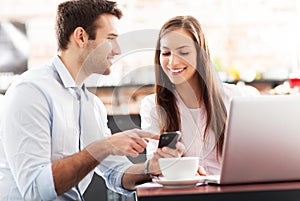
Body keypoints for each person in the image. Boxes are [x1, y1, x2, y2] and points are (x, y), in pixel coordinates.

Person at [0, 1, 185, 200]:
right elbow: (35, 189)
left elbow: (116, 173)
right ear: (81, 37)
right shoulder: (31, 91)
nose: (118, 50)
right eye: (111, 38)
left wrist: (151, 168)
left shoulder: (92, 105)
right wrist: (104, 146)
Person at [140, 15, 260, 175]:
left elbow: (257, 155)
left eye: (183, 52)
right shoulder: (152, 105)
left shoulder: (236, 97)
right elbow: (155, 168)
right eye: (166, 53)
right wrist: (168, 164)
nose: (173, 62)